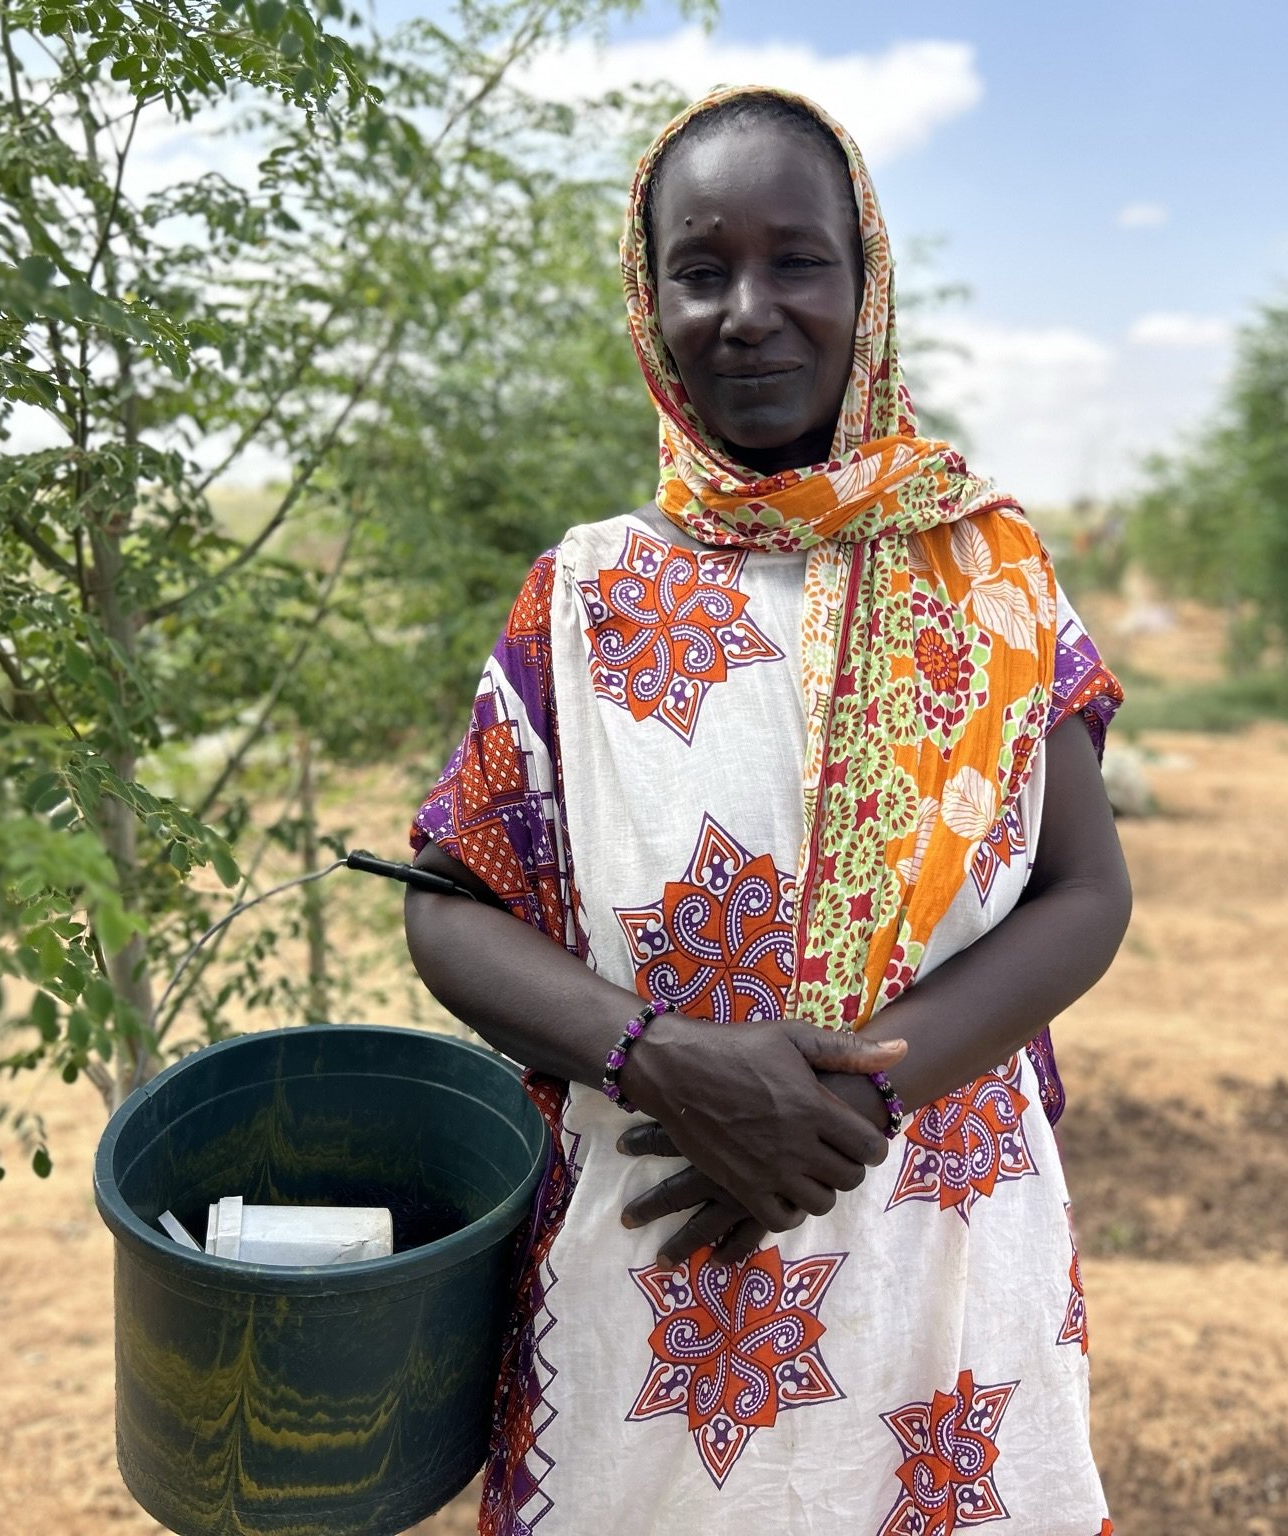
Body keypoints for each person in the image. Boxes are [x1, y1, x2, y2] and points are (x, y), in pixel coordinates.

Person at [402, 85, 1129, 1533]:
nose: (749, 309)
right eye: (700, 266)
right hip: (660, 1242)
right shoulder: (588, 594)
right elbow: (449, 907)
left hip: (938, 1231)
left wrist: (856, 1096)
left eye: (798, 260)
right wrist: (668, 1063)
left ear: (867, 286)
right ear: (645, 294)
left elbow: (1083, 894)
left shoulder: (990, 572)